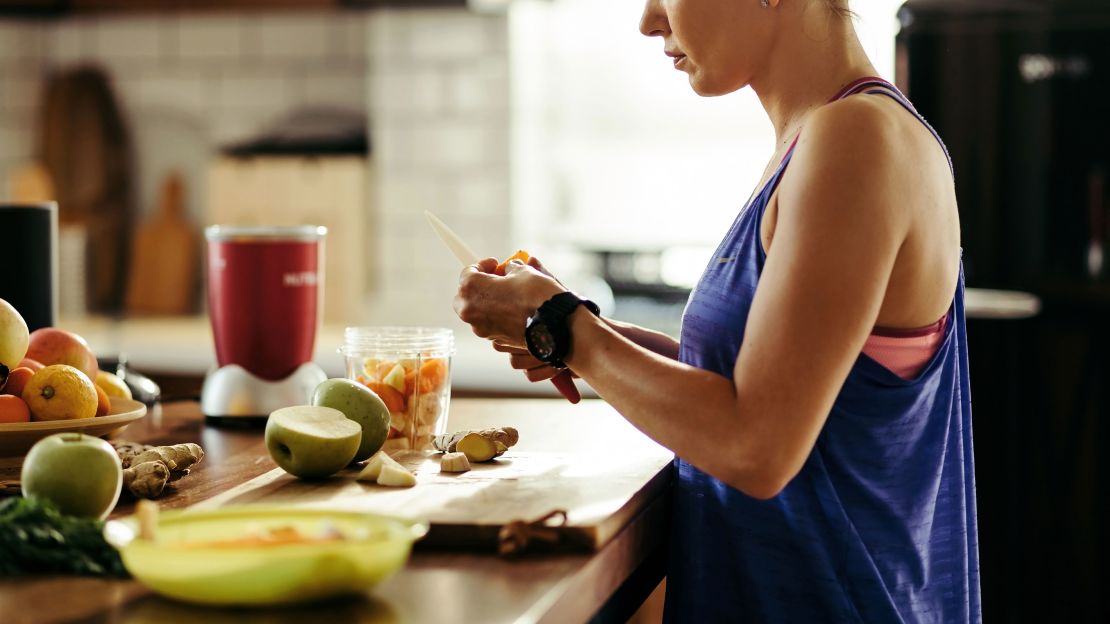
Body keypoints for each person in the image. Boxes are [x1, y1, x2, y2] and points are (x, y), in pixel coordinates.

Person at [453, 0, 980, 621]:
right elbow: (770, 386)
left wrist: (564, 329)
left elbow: (758, 449)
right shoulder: (822, 136)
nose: (649, 21)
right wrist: (574, 326)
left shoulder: (855, 139)